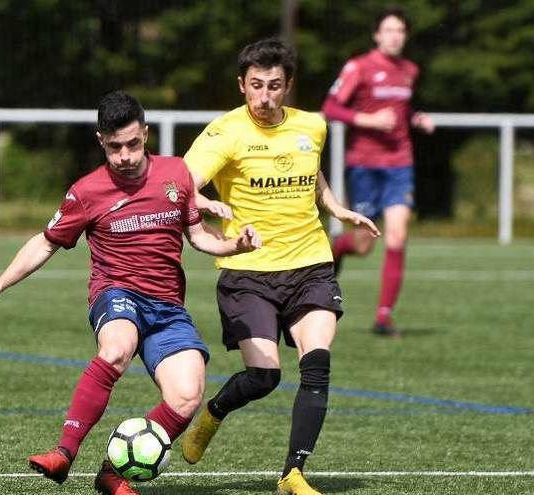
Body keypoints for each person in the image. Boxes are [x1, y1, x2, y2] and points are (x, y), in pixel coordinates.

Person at [0, 90, 261, 495]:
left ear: (145, 133)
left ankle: (112, 473)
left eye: (132, 144)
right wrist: (0, 282)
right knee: (117, 348)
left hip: (167, 306)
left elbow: (199, 236)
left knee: (187, 396)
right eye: (114, 147)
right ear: (100, 141)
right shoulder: (86, 192)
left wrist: (235, 246)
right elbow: (46, 241)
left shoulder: (177, 175)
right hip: (116, 292)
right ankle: (64, 453)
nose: (124, 155)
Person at [179, 39, 379, 495]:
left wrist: (336, 208)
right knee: (264, 377)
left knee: (318, 364)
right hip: (249, 273)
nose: (265, 97)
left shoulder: (313, 126)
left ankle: (293, 473)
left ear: (288, 86)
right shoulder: (224, 133)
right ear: (242, 85)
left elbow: (312, 172)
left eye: (274, 86)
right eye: (255, 86)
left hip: (310, 263)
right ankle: (213, 413)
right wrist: (208, 201)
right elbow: (181, 183)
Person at [321, 6, 435, 338]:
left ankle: (383, 317)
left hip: (400, 164)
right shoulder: (359, 67)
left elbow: (402, 109)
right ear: (377, 35)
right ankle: (337, 247)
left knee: (397, 236)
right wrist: (368, 120)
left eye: (400, 30)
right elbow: (331, 107)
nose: (395, 36)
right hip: (364, 166)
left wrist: (416, 119)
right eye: (389, 30)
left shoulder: (409, 70)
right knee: (363, 244)